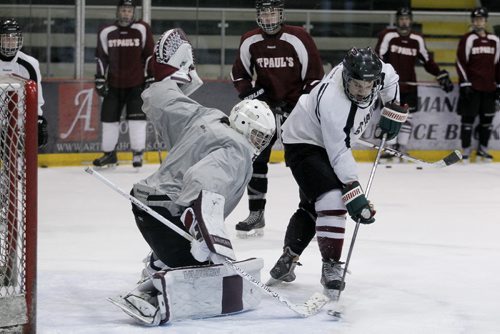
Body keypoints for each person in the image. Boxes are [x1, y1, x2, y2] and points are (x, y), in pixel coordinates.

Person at [108, 28, 276, 326]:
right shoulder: (238, 148)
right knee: (199, 267)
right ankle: (150, 297)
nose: (261, 144)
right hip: (169, 210)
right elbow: (204, 180)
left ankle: (160, 263)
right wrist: (204, 231)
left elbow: (164, 102)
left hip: (146, 203)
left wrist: (170, 73)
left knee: (189, 254)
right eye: (260, 136)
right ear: (245, 124)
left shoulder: (208, 117)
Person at [267, 47, 407, 298]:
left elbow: (392, 76)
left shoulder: (377, 73)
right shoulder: (334, 102)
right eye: (355, 86)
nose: (362, 92)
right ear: (345, 77)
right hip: (304, 142)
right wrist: (355, 194)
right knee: (332, 198)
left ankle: (288, 258)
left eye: (368, 86)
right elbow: (339, 153)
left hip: (328, 141)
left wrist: (393, 107)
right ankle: (330, 265)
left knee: (313, 205)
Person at [230, 0, 324, 238]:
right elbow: (239, 74)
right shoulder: (250, 40)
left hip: (296, 108)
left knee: (303, 161)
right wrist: (253, 95)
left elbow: (314, 76)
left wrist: (301, 103)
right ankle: (256, 213)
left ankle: (313, 211)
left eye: (273, 13)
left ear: (280, 15)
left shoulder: (299, 37)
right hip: (265, 110)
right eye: (264, 13)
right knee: (256, 161)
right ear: (258, 16)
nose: (269, 18)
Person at [375, 7, 453, 158]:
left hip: (410, 85)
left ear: (410, 20)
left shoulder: (417, 39)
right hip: (392, 85)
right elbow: (379, 57)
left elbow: (427, 61)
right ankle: (390, 148)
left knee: (407, 118)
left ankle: (401, 149)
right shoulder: (388, 35)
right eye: (401, 19)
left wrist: (440, 74)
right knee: (390, 116)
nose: (404, 22)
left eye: (407, 19)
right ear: (397, 20)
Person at [93, 0, 154, 168]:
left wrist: (150, 76)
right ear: (117, 11)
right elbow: (101, 57)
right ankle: (109, 154)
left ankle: (137, 154)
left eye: (129, 10)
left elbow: (149, 55)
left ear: (133, 12)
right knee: (108, 120)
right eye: (123, 10)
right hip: (113, 84)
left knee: (137, 120)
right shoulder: (107, 31)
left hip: (137, 84)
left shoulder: (142, 28)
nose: (126, 13)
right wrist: (99, 78)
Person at [456, 6, 500, 162]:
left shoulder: (495, 40)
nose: (478, 22)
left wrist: (499, 84)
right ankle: (466, 151)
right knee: (467, 119)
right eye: (475, 19)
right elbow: (461, 62)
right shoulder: (468, 39)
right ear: (472, 21)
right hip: (472, 87)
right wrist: (465, 83)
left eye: (481, 19)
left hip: (489, 88)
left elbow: (498, 64)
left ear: (486, 21)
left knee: (486, 121)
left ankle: (482, 150)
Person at [0, 18, 47, 148]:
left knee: (19, 161)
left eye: (14, 38)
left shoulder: (30, 63)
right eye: (6, 38)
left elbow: (36, 95)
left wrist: (38, 118)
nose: (10, 42)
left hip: (18, 120)